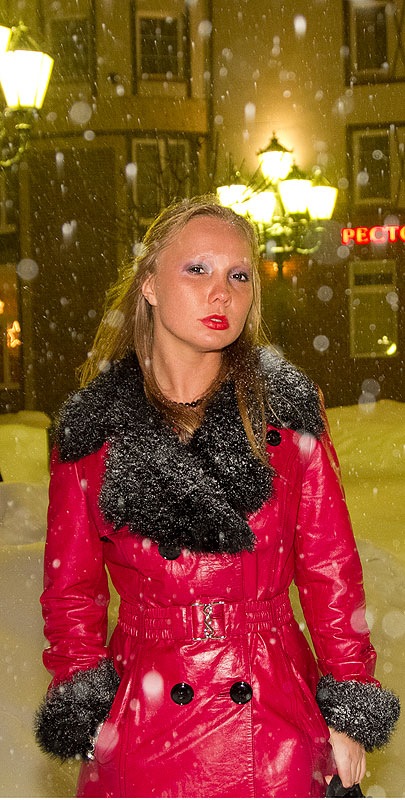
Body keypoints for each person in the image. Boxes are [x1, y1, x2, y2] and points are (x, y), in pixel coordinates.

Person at [35, 195, 399, 798]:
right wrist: (84, 704)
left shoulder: (284, 417)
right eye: (197, 269)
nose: (222, 293)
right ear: (149, 285)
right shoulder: (93, 433)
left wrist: (347, 707)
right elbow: (71, 592)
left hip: (274, 712)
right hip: (142, 715)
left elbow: (330, 571)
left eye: (239, 275)